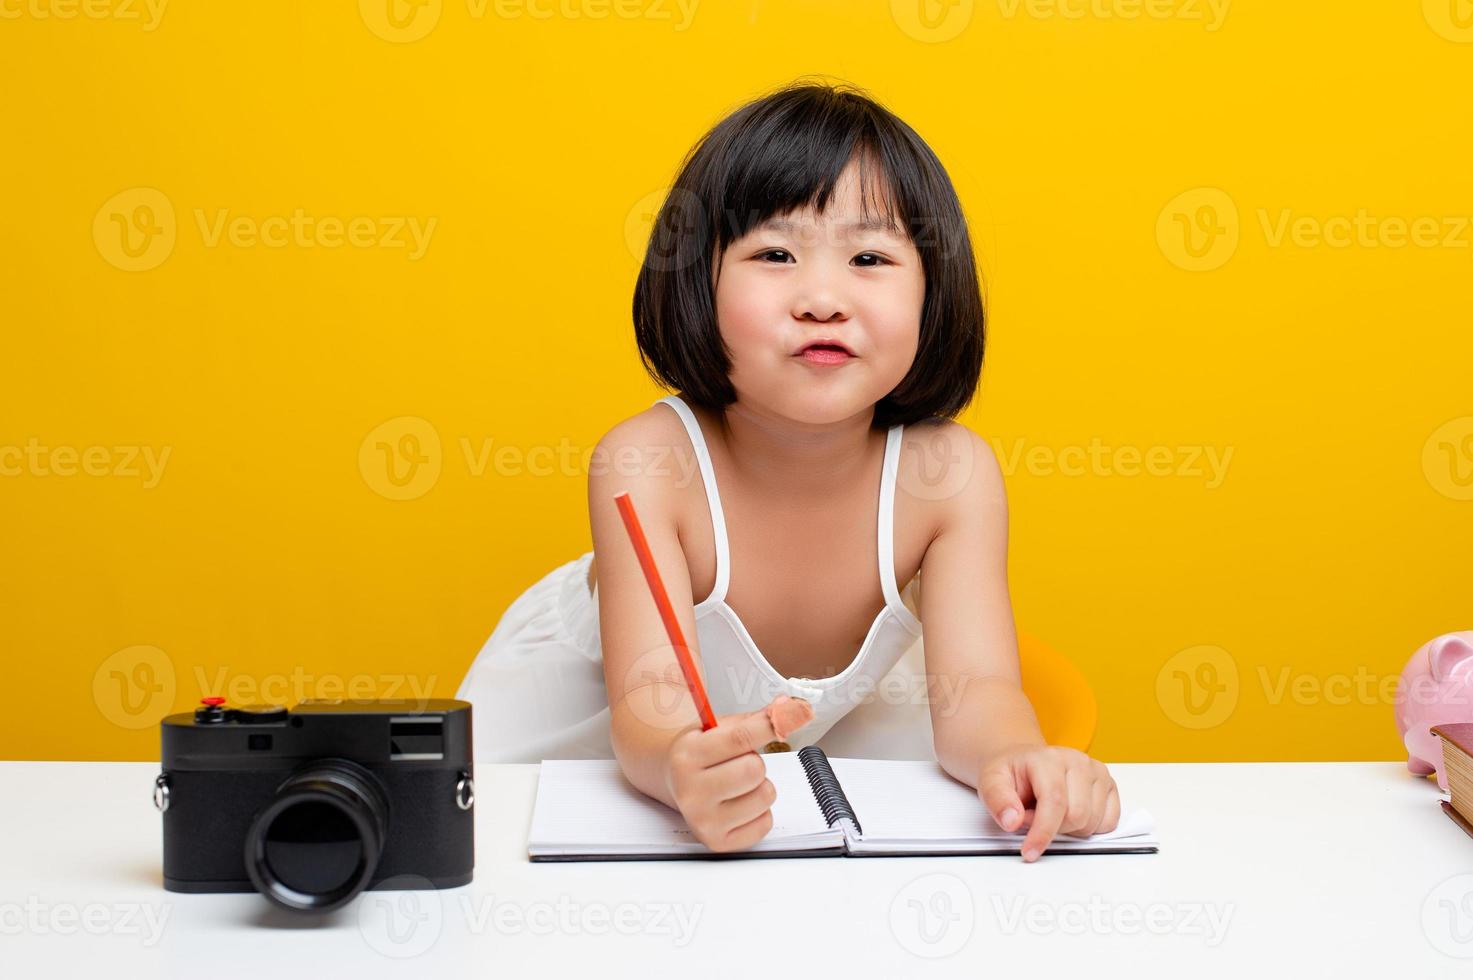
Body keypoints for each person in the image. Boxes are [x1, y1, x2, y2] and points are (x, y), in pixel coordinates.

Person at [458, 78, 1120, 859]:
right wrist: (680, 767)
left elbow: (978, 694)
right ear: (696, 284)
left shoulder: (949, 474)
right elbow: (649, 706)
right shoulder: (645, 462)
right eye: (774, 254)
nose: (820, 298)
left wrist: (1016, 754)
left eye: (869, 257)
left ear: (933, 293)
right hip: (603, 739)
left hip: (830, 738)